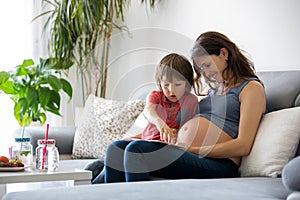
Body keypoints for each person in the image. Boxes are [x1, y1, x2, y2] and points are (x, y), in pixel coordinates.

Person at [102, 31, 266, 182]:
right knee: (116, 148)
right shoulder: (211, 89)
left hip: (219, 163)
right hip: (185, 151)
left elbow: (243, 145)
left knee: (137, 150)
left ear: (224, 53)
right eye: (202, 69)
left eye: (207, 65)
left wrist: (194, 149)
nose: (206, 74)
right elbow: (177, 125)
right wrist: (140, 136)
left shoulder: (251, 88)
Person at [91, 53, 199, 183]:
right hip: (146, 141)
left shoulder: (191, 101)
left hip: (163, 148)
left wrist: (179, 132)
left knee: (133, 150)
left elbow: (191, 127)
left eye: (178, 85)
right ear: (159, 83)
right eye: (166, 85)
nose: (171, 91)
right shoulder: (156, 95)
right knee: (114, 147)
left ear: (187, 83)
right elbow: (149, 111)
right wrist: (160, 123)